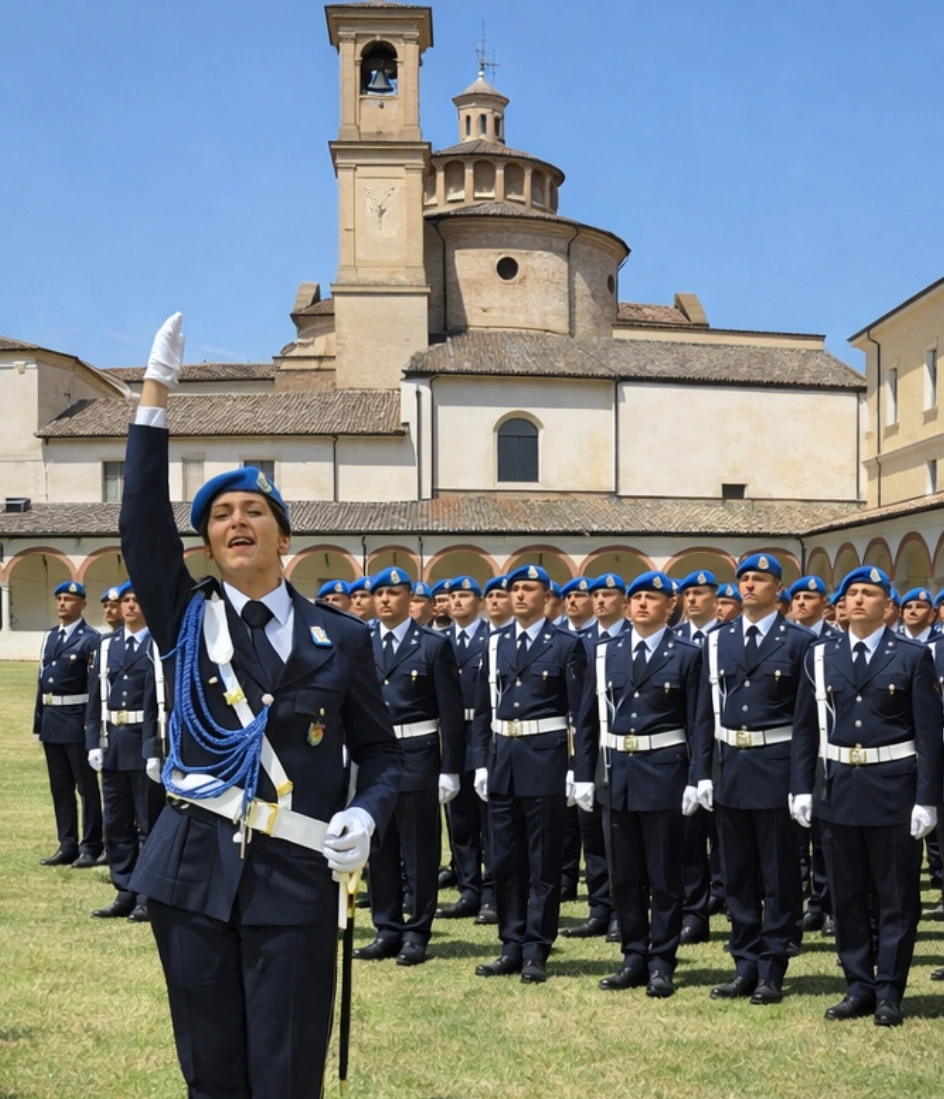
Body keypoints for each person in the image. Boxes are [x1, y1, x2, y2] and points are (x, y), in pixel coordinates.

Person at [121, 313, 404, 1099]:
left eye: (253, 511)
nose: (236, 522)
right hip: (190, 873)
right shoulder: (184, 618)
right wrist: (154, 399)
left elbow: (383, 752)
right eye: (219, 516)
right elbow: (139, 521)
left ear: (285, 536)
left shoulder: (340, 638)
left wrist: (368, 814)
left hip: (296, 873)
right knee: (212, 1076)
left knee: (285, 1076)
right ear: (206, 545)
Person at [791, 566, 942, 1025]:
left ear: (887, 606)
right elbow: (803, 730)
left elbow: (929, 735)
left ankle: (890, 991)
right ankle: (858, 986)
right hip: (838, 789)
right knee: (848, 895)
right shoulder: (819, 656)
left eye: (868, 593)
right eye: (851, 592)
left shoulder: (913, 656)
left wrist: (927, 798)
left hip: (894, 790)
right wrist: (801, 786)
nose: (857, 599)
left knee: (897, 897)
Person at [691, 553, 813, 1005]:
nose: (748, 586)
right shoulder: (717, 641)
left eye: (759, 580)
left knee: (778, 874)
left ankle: (772, 966)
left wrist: (802, 783)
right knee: (736, 873)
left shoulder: (798, 642)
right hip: (731, 769)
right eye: (743, 579)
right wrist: (702, 772)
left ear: (777, 588)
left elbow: (806, 723)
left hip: (777, 767)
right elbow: (705, 715)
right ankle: (744, 962)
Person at [575, 570, 703, 997]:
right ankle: (633, 956)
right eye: (637, 597)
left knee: (664, 874)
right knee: (625, 873)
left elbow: (698, 722)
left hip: (665, 772)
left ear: (671, 605)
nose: (643, 603)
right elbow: (588, 721)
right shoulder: (603, 652)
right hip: (617, 775)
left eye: (653, 597)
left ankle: (662, 960)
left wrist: (697, 777)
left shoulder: (686, 653)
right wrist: (583, 774)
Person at [470, 564, 588, 984]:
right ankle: (510, 943)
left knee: (542, 863)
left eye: (528, 589)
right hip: (504, 762)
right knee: (504, 861)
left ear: (547, 597)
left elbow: (581, 714)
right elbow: (484, 709)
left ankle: (536, 948)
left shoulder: (566, 645)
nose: (519, 595)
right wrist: (481, 761)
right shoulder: (495, 643)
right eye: (514, 588)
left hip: (546, 762)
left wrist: (579, 769)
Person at [354, 567, 465, 967]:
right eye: (378, 592)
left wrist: (450, 768)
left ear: (409, 598)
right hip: (373, 759)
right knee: (379, 848)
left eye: (393, 593)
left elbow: (450, 714)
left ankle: (417, 931)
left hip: (417, 758)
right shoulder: (361, 642)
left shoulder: (432, 645)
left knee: (418, 852)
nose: (384, 599)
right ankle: (386, 927)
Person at [85, 580, 164, 922]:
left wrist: (154, 750)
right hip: (113, 743)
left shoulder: (158, 645)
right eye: (126, 601)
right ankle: (124, 889)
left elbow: (159, 703)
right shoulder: (106, 646)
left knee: (148, 822)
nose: (130, 606)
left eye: (136, 599)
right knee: (116, 821)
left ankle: (148, 894)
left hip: (143, 743)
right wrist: (92, 742)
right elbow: (94, 698)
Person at [563, 572, 625, 941]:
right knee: (592, 833)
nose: (599, 600)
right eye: (596, 594)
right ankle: (599, 906)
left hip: (622, 745)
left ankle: (621, 908)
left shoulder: (632, 640)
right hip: (586, 741)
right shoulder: (580, 642)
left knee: (617, 832)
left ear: (624, 600)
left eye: (607, 594)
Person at [436, 575, 495, 924]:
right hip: (453, 735)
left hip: (483, 733)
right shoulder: (439, 641)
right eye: (452, 596)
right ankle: (468, 888)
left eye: (464, 596)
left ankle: (491, 892)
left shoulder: (493, 639)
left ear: (480, 601)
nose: (456, 602)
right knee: (460, 821)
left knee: (490, 820)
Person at [33, 580, 104, 869]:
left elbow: (95, 688)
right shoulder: (51, 637)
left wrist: (92, 729)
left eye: (70, 599)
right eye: (59, 598)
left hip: (77, 721)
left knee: (86, 787)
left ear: (83, 604)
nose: (63, 603)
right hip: (52, 722)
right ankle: (67, 844)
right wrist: (39, 723)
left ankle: (91, 844)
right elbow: (42, 683)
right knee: (59, 787)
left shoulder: (91, 639)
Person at [673, 570, 724, 943]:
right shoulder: (674, 641)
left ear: (715, 599)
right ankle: (694, 913)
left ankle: (728, 897)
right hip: (686, 754)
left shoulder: (728, 639)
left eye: (699, 593)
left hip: (728, 753)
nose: (691, 599)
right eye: (687, 593)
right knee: (689, 841)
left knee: (729, 840)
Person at [787, 575, 837, 933]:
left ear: (827, 605)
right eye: (797, 597)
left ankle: (829, 901)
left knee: (826, 835)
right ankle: (811, 901)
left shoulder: (835, 642)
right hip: (792, 746)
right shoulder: (785, 642)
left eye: (810, 597)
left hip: (828, 751)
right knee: (796, 833)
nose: (801, 602)